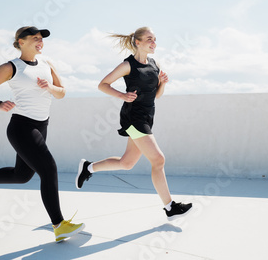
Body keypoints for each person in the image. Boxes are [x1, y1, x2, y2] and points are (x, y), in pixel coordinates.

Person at [0, 26, 84, 242]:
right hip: (22, 128)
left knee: (22, 175)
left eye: (41, 39)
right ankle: (59, 224)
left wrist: (50, 88)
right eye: (35, 38)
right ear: (21, 41)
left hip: (42, 126)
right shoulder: (11, 67)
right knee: (49, 168)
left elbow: (62, 92)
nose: (40, 41)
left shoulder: (47, 64)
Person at [75, 26, 192, 220]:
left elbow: (156, 96)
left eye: (155, 39)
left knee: (126, 163)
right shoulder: (128, 65)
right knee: (158, 159)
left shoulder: (155, 64)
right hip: (133, 118)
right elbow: (102, 84)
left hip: (147, 116)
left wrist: (163, 83)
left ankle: (88, 167)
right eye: (149, 39)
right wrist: (122, 95)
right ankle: (170, 207)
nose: (153, 43)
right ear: (137, 42)